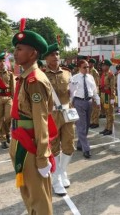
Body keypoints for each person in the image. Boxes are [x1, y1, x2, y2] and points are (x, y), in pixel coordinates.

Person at [9, 20, 55, 214]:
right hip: (19, 138)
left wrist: (43, 155)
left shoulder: (35, 80)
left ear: (33, 53)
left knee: (38, 196)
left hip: (30, 144)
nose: (15, 53)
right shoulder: (25, 77)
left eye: (20, 49)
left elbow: (41, 119)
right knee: (27, 192)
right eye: (15, 49)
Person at [42, 42, 74, 196]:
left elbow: (71, 93)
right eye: (52, 54)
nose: (55, 57)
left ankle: (62, 171)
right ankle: (56, 180)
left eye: (57, 54)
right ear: (46, 58)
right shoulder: (42, 75)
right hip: (51, 114)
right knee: (54, 147)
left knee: (69, 145)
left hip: (67, 113)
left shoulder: (67, 73)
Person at [70, 60, 101, 159]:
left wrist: (98, 101)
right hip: (79, 102)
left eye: (88, 67)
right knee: (81, 125)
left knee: (87, 125)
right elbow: (71, 92)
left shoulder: (91, 77)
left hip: (89, 102)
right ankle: (86, 149)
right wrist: (70, 104)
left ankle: (80, 144)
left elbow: (94, 90)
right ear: (79, 67)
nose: (87, 69)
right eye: (84, 67)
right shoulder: (74, 78)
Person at [99, 59, 115, 136]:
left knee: (110, 113)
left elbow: (112, 87)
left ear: (108, 66)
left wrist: (112, 98)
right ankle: (107, 127)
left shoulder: (110, 75)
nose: (103, 67)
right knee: (106, 113)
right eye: (102, 65)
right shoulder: (103, 74)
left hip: (107, 96)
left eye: (104, 65)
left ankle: (110, 128)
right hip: (103, 95)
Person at [88, 58, 100, 129]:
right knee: (92, 108)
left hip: (94, 91)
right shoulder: (89, 71)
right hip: (90, 92)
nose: (89, 64)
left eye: (90, 63)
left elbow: (96, 83)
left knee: (95, 108)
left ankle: (96, 122)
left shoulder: (94, 71)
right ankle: (93, 121)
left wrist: (95, 93)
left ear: (93, 64)